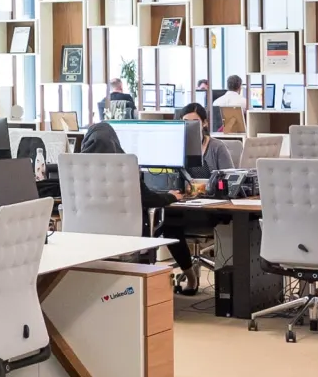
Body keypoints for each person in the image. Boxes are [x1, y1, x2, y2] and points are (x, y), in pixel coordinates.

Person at [79, 122, 196, 288]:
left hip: (87, 235)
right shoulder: (125, 166)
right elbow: (147, 199)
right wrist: (170, 196)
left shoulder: (76, 168)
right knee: (171, 223)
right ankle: (190, 278)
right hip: (125, 233)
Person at [178, 103, 235, 171]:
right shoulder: (177, 146)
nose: (190, 126)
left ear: (204, 123)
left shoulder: (217, 147)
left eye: (195, 122)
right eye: (186, 122)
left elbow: (229, 177)